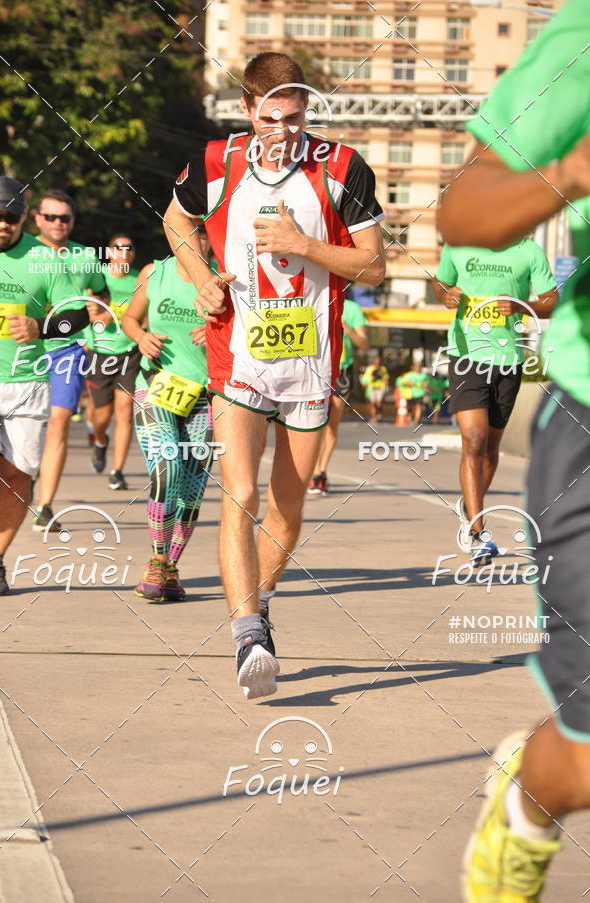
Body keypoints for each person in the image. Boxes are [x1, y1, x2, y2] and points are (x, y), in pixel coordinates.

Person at [163, 52, 385, 699]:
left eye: (293, 117)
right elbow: (176, 220)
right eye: (269, 118)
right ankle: (247, 635)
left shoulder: (342, 169)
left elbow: (372, 265)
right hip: (238, 354)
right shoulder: (217, 162)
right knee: (240, 494)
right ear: (247, 109)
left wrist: (305, 245)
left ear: (307, 110)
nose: (282, 130)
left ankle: (258, 600)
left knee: (288, 507)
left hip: (311, 360)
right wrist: (202, 278)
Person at [437, 3, 590, 899]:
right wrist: (569, 171)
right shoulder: (582, 40)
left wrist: (526, 308)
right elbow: (464, 210)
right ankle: (528, 811)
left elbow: (536, 296)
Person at [0, 176, 98, 594]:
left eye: (10, 217)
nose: (2, 224)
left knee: (18, 476)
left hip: (27, 382)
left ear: (22, 218)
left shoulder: (44, 259)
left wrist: (42, 326)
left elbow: (80, 315)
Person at [432, 240, 557, 566]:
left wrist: (520, 306)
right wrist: (445, 295)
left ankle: (469, 506)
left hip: (510, 360)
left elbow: (551, 301)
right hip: (466, 357)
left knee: (489, 448)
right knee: (473, 440)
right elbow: (441, 282)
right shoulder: (458, 245)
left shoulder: (529, 251)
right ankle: (477, 531)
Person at [122, 238, 212, 602]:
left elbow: (246, 334)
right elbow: (129, 317)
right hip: (155, 385)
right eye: (189, 230)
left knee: (192, 489)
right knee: (168, 467)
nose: (196, 240)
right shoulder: (153, 273)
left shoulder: (226, 280)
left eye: (204, 231)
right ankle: (158, 559)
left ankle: (170, 567)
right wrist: (141, 336)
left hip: (206, 395)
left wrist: (219, 334)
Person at [31, 189, 110, 532]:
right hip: (24, 351)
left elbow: (102, 293)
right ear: (37, 219)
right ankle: (21, 480)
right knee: (25, 426)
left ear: (72, 221)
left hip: (68, 349)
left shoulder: (85, 257)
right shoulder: (22, 252)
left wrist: (99, 317)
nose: (58, 223)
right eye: (50, 216)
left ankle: (45, 505)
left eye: (64, 217)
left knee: (59, 422)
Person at [85, 234, 141, 490]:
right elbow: (84, 311)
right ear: (108, 252)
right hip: (100, 352)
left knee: (124, 412)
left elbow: (148, 312)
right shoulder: (98, 277)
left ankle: (117, 470)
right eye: (119, 248)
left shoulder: (140, 279)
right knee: (102, 416)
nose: (124, 253)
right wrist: (87, 339)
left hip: (129, 351)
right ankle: (99, 441)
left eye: (129, 248)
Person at [308, 295, 369, 494]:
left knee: (331, 424)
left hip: (341, 371)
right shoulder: (314, 299)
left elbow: (364, 344)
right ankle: (312, 470)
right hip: (316, 368)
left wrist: (348, 329)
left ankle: (320, 472)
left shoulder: (351, 308)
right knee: (315, 423)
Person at [361, 352, 389, 424]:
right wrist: (371, 379)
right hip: (371, 388)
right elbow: (365, 378)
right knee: (372, 403)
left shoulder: (383, 369)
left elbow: (385, 378)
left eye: (379, 360)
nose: (378, 362)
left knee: (378, 403)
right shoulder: (370, 368)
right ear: (374, 361)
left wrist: (386, 384)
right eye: (376, 360)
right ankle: (374, 417)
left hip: (380, 388)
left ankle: (378, 412)